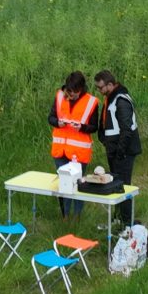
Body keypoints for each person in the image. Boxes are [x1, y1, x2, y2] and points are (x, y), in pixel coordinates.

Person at [48, 70, 99, 216]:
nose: (70, 96)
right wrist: (58, 123)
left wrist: (82, 127)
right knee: (64, 185)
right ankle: (65, 216)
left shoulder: (91, 102)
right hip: (60, 151)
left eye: (74, 93)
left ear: (81, 89)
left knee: (78, 186)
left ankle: (77, 217)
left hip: (79, 153)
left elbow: (94, 127)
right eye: (69, 92)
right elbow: (50, 118)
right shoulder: (59, 96)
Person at [94, 69, 140, 223]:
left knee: (124, 187)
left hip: (124, 152)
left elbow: (126, 130)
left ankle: (127, 223)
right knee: (115, 186)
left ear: (110, 84)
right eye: (97, 88)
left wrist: (119, 152)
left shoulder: (121, 100)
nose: (99, 91)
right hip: (114, 150)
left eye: (101, 88)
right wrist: (105, 140)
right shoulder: (111, 98)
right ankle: (118, 218)